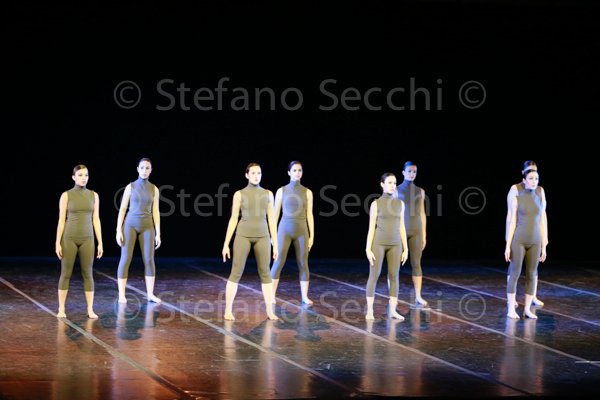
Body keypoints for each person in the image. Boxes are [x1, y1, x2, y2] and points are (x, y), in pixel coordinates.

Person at [222, 163, 279, 321]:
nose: (256, 176)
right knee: (236, 272)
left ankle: (269, 311)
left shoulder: (268, 194)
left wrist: (275, 243)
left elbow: (272, 220)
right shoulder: (239, 194)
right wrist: (226, 243)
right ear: (246, 175)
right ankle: (228, 310)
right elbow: (233, 219)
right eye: (252, 173)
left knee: (265, 273)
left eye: (258, 173)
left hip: (263, 236)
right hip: (243, 236)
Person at [55, 164, 103, 318]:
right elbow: (61, 220)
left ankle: (90, 309)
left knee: (88, 273)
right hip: (69, 238)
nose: (84, 178)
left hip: (87, 239)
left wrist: (100, 242)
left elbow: (96, 219)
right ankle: (61, 309)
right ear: (73, 177)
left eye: (86, 175)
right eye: (80, 175)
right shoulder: (66, 195)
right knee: (66, 273)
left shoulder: (94, 195)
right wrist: (57, 242)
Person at [116, 158, 162, 303]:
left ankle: (150, 294)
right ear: (137, 169)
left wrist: (158, 232)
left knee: (149, 259)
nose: (144, 170)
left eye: (147, 168)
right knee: (125, 258)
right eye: (142, 167)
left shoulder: (154, 189)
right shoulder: (130, 187)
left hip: (147, 226)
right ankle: (121, 294)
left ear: (151, 170)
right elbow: (122, 209)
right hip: (130, 225)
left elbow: (156, 211)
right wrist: (118, 230)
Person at [270, 161, 315, 305]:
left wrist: (312, 235)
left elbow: (310, 215)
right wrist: (273, 235)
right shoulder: (281, 191)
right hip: (284, 230)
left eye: (299, 170)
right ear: (289, 172)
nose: (297, 173)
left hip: (302, 231)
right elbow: (275, 215)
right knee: (278, 261)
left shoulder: (308, 192)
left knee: (303, 263)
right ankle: (271, 295)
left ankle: (304, 296)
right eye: (294, 170)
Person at [505, 168, 548, 319]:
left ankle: (527, 309)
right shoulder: (517, 197)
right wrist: (507, 244)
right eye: (531, 178)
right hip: (519, 241)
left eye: (536, 178)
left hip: (535, 241)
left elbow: (542, 221)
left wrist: (544, 244)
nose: (534, 181)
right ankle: (511, 308)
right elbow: (512, 222)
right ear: (524, 180)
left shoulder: (540, 195)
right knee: (515, 273)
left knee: (532, 274)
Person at [365, 173, 408, 320]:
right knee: (374, 275)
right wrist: (368, 248)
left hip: (396, 244)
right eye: (389, 182)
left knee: (394, 276)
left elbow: (402, 226)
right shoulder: (376, 204)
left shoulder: (400, 204)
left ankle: (393, 310)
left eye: (394, 183)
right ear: (382, 184)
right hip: (379, 243)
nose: (392, 185)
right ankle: (369, 310)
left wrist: (406, 248)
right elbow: (371, 228)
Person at [396, 161, 429, 307]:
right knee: (395, 265)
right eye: (409, 171)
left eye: (414, 171)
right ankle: (393, 297)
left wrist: (424, 234)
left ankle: (418, 296)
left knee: (416, 263)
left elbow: (422, 213)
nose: (412, 174)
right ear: (403, 172)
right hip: (400, 231)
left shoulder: (420, 191)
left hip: (416, 231)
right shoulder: (396, 190)